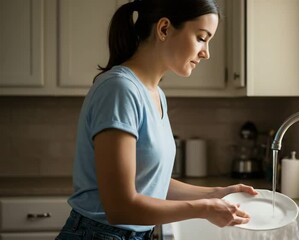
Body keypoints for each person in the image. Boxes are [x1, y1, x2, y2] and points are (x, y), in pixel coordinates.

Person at [56, 0, 257, 239]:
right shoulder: (119, 89)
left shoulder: (155, 93)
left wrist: (217, 193)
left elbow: (152, 183)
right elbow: (120, 208)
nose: (206, 53)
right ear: (164, 29)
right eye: (202, 38)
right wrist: (203, 208)